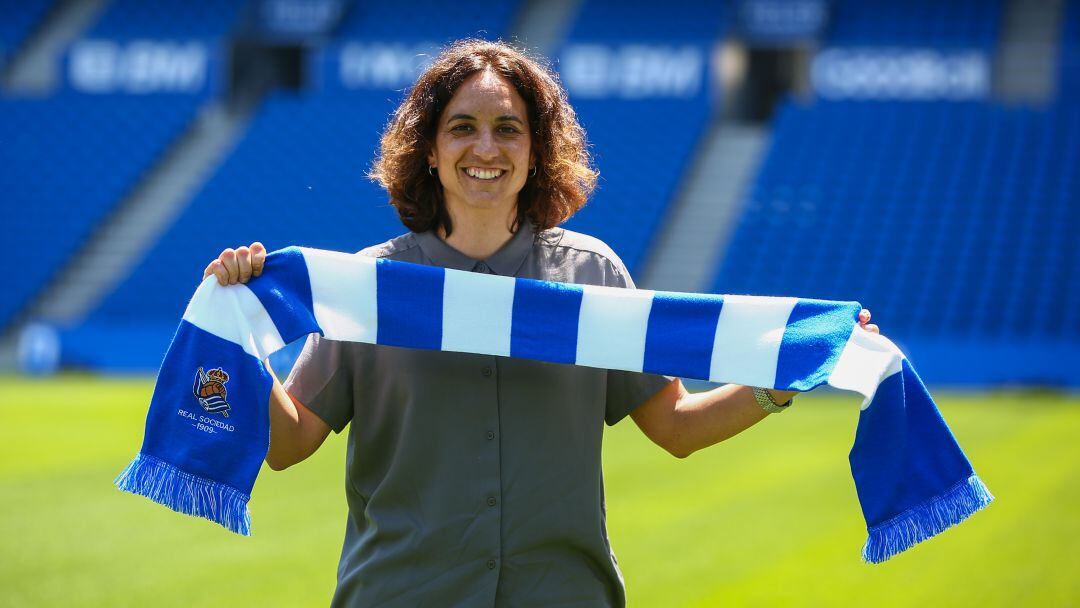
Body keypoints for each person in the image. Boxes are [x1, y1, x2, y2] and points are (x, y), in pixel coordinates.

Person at [202, 40, 880, 607]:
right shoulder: (368, 287)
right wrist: (239, 329)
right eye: (461, 127)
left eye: (508, 129)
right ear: (430, 151)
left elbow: (678, 427)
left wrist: (785, 377)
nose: (485, 147)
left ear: (536, 152)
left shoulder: (592, 275)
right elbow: (288, 445)